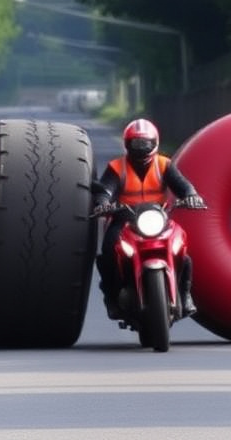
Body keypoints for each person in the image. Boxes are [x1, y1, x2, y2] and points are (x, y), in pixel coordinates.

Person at [93, 118, 206, 319]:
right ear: (128, 144)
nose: (141, 148)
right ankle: (112, 297)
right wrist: (103, 202)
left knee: (183, 252)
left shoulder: (164, 165)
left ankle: (185, 295)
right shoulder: (116, 167)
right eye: (137, 144)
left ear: (155, 143)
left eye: (145, 143)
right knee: (108, 252)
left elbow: (183, 185)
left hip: (158, 218)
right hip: (124, 219)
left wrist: (192, 196)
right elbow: (106, 190)